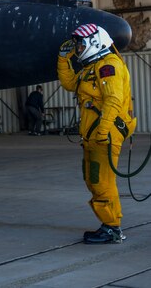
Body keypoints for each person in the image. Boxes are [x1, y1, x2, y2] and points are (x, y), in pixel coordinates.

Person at [57, 23, 136, 244]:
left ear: (94, 42)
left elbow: (113, 100)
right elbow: (70, 83)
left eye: (80, 45)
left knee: (102, 182)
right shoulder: (91, 68)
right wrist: (64, 59)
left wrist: (103, 131)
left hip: (106, 134)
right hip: (93, 135)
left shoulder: (109, 66)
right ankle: (110, 224)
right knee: (94, 179)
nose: (78, 49)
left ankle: (112, 228)